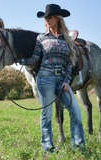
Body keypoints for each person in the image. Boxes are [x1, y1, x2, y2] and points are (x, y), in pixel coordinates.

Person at [19, 4, 85, 153]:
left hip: (62, 79)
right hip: (45, 77)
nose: (46, 20)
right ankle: (48, 148)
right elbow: (35, 60)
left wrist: (67, 81)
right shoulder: (41, 38)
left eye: (49, 17)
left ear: (57, 18)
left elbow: (70, 62)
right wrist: (19, 60)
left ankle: (79, 147)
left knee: (76, 110)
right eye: (45, 18)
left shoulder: (66, 39)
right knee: (46, 114)